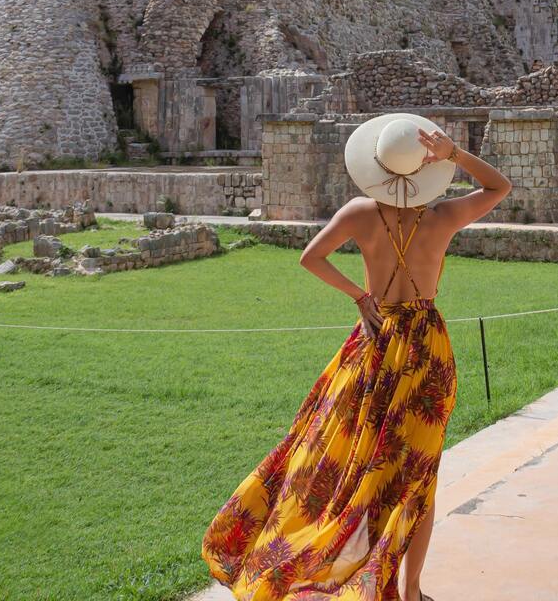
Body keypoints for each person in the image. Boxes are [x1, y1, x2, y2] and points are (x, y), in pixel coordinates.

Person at [202, 112, 513, 601]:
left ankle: (338, 556)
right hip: (425, 349)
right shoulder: (442, 217)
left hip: (375, 339)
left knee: (345, 455)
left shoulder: (359, 213)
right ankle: (410, 590)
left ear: (377, 166)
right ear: (425, 168)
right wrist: (454, 154)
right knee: (417, 472)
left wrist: (358, 296)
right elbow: (499, 187)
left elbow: (311, 257)